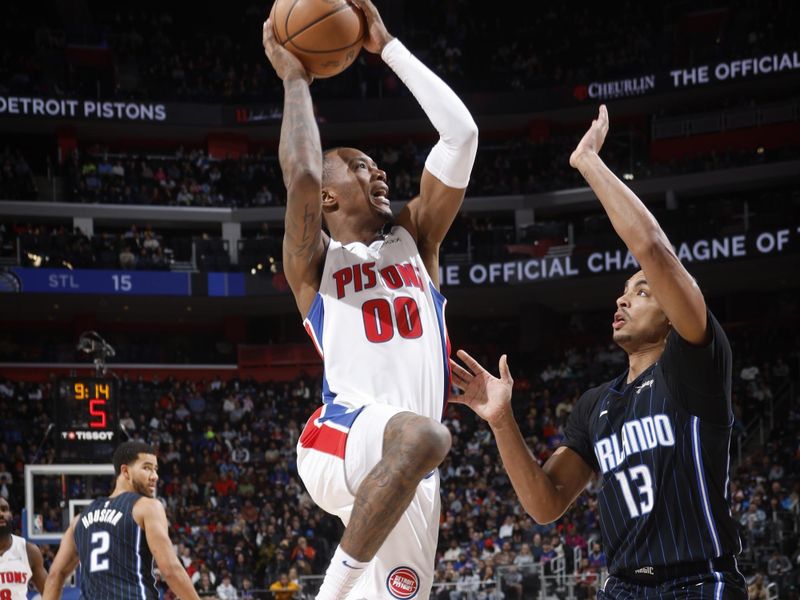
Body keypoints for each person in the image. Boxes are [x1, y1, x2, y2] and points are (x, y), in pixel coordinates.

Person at [450, 106, 747, 598]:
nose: (623, 298)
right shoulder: (595, 404)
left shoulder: (698, 363)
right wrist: (502, 421)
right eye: (623, 291)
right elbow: (546, 505)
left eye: (642, 292)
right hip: (622, 586)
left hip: (699, 580)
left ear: (674, 313)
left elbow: (653, 249)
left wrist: (589, 160)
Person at [261, 0, 478, 597]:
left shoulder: (418, 238)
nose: (379, 174)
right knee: (427, 436)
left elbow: (462, 134)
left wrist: (389, 48)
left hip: (409, 469)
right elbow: (303, 175)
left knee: (422, 448)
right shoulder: (313, 263)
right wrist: (296, 78)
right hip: (338, 433)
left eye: (378, 167)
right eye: (360, 168)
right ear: (329, 200)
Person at [43, 441, 201, 600]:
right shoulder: (147, 507)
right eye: (146, 468)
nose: (155, 476)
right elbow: (170, 570)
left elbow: (55, 575)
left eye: (155, 469)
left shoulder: (79, 519)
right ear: (125, 471)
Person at [0, 498, 47, 599]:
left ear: (11, 515)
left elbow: (49, 593)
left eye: (4, 509)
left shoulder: (29, 551)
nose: (1, 514)